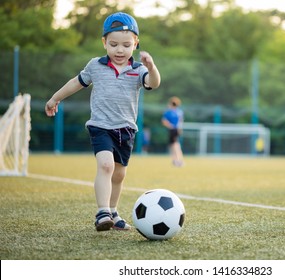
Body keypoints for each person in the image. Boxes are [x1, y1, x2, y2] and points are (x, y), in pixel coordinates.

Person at [45, 12, 161, 231]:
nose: (120, 50)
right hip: (101, 127)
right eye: (114, 44)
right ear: (104, 43)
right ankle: (102, 212)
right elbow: (75, 83)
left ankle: (114, 212)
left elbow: (153, 84)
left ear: (135, 43)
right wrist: (55, 98)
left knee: (119, 174)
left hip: (126, 130)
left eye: (126, 45)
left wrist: (152, 67)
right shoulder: (95, 66)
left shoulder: (138, 70)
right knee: (106, 166)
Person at [161, 96, 184, 167]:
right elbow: (181, 121)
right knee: (174, 145)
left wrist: (170, 126)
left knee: (175, 145)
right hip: (177, 129)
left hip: (172, 130)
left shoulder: (168, 112)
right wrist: (180, 129)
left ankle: (178, 160)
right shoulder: (180, 112)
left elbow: (164, 121)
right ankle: (176, 160)